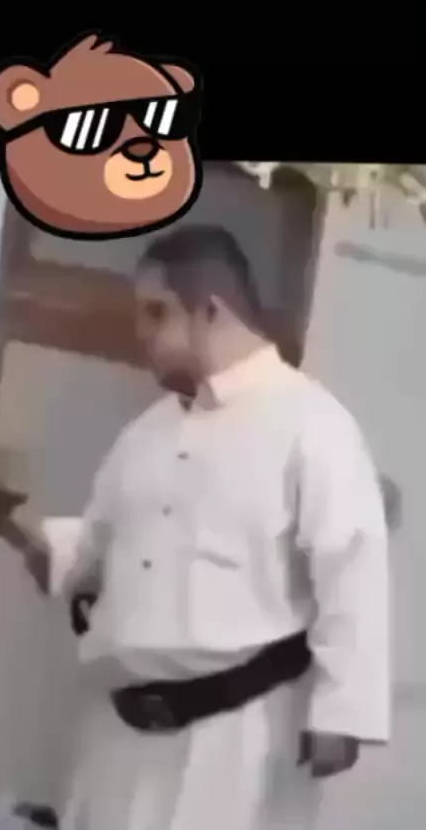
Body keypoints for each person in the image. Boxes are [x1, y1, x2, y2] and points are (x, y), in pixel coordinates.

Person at [60, 225, 390, 830]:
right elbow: (94, 547)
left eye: (156, 312)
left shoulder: (311, 424)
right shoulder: (145, 434)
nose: (141, 332)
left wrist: (343, 713)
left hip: (238, 739)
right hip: (119, 733)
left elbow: (352, 571)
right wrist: (23, 537)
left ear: (210, 310)